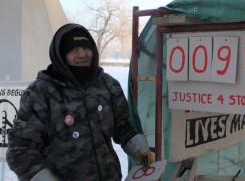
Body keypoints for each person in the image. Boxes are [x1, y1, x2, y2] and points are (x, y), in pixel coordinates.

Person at [6, 23, 154, 181]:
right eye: (74, 49)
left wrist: (140, 150)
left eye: (86, 48)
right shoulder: (40, 93)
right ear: (61, 55)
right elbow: (20, 150)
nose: (82, 54)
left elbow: (122, 127)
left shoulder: (108, 85)